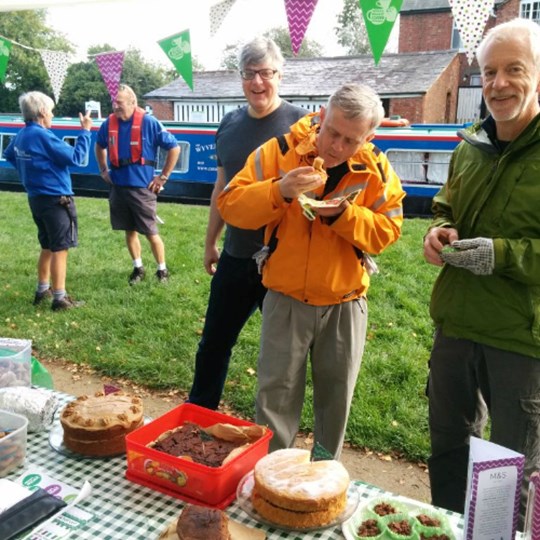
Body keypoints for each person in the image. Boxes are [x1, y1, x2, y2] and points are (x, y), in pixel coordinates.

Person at [218, 83, 405, 457]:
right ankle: (274, 478)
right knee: (274, 400)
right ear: (321, 114)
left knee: (335, 404)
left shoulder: (376, 168)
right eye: (331, 132)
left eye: (350, 140)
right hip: (285, 299)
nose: (336, 146)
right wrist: (280, 190)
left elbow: (388, 231)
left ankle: (321, 479)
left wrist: (344, 215)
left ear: (369, 137)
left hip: (345, 303)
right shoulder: (280, 151)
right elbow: (231, 206)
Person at [423, 18, 540, 523]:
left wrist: (502, 254)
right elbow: (444, 207)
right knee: (448, 449)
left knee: (511, 469)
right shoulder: (469, 146)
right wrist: (439, 232)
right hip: (456, 325)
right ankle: (444, 530)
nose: (499, 83)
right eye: (490, 72)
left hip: (521, 338)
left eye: (514, 69)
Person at [187, 37, 305, 409]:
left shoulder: (302, 124)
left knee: (281, 359)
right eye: (249, 74)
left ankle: (274, 434)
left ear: (280, 75)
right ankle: (198, 414)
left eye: (266, 73)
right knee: (214, 343)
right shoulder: (228, 125)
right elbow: (221, 188)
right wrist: (210, 242)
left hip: (284, 259)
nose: (258, 83)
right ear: (240, 78)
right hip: (237, 254)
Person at [3, 91, 93, 311]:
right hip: (56, 199)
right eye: (51, 111)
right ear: (43, 112)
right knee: (60, 248)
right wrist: (86, 132)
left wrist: (30, 172)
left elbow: (9, 154)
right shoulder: (44, 136)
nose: (52, 115)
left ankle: (42, 290)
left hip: (36, 199)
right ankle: (59, 298)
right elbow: (76, 158)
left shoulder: (22, 135)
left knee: (47, 245)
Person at [95, 84, 180, 285]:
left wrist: (163, 177)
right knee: (129, 230)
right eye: (114, 102)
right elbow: (99, 146)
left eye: (120, 102)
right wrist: (103, 170)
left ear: (133, 102)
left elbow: (174, 148)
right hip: (119, 187)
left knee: (151, 232)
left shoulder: (149, 123)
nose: (115, 106)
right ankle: (138, 268)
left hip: (142, 188)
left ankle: (162, 270)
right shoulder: (109, 124)